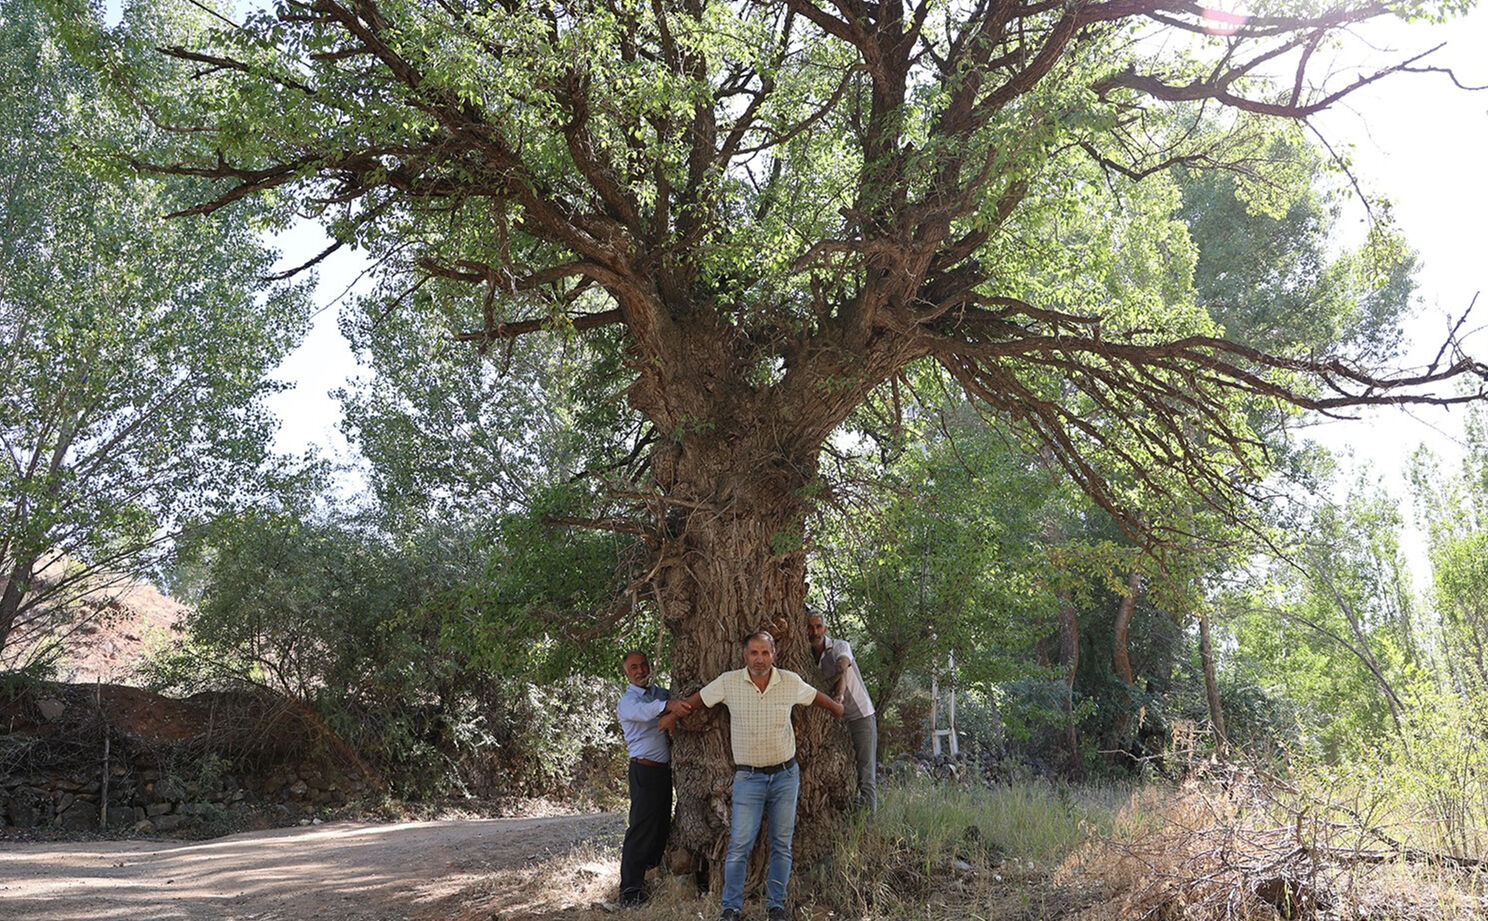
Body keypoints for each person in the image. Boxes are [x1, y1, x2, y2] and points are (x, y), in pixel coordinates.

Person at [662, 631, 844, 921]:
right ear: (744, 656)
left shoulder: (789, 682)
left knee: (781, 844)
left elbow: (816, 697)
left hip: (786, 776)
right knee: (739, 845)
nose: (760, 659)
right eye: (754, 653)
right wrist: (672, 716)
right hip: (748, 779)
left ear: (775, 655)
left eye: (765, 653)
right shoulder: (729, 682)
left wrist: (836, 706)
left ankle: (776, 906)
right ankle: (731, 907)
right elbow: (697, 700)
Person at [616, 651, 691, 907]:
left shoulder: (659, 693)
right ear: (627, 674)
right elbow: (647, 713)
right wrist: (669, 708)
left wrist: (671, 712)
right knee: (640, 828)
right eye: (634, 668)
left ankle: (651, 877)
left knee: (660, 826)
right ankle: (628, 892)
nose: (640, 671)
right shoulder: (628, 702)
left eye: (643, 665)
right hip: (643, 772)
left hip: (663, 772)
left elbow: (669, 709)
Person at [807, 613, 878, 811]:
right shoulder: (809, 658)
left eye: (818, 627)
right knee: (846, 771)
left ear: (825, 629)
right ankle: (854, 817)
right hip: (839, 721)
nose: (815, 632)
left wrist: (839, 697)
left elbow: (843, 667)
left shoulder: (840, 646)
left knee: (866, 773)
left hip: (861, 716)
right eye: (811, 628)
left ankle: (867, 828)